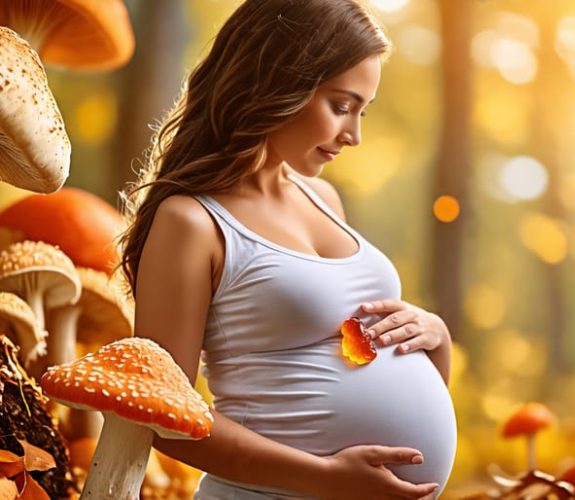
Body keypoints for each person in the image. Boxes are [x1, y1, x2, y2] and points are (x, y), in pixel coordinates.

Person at [118, 1, 457, 498]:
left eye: (363, 111)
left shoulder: (322, 198)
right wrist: (324, 476)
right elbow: (164, 413)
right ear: (276, 82)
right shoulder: (192, 221)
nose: (354, 135)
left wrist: (436, 337)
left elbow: (357, 362)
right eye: (341, 106)